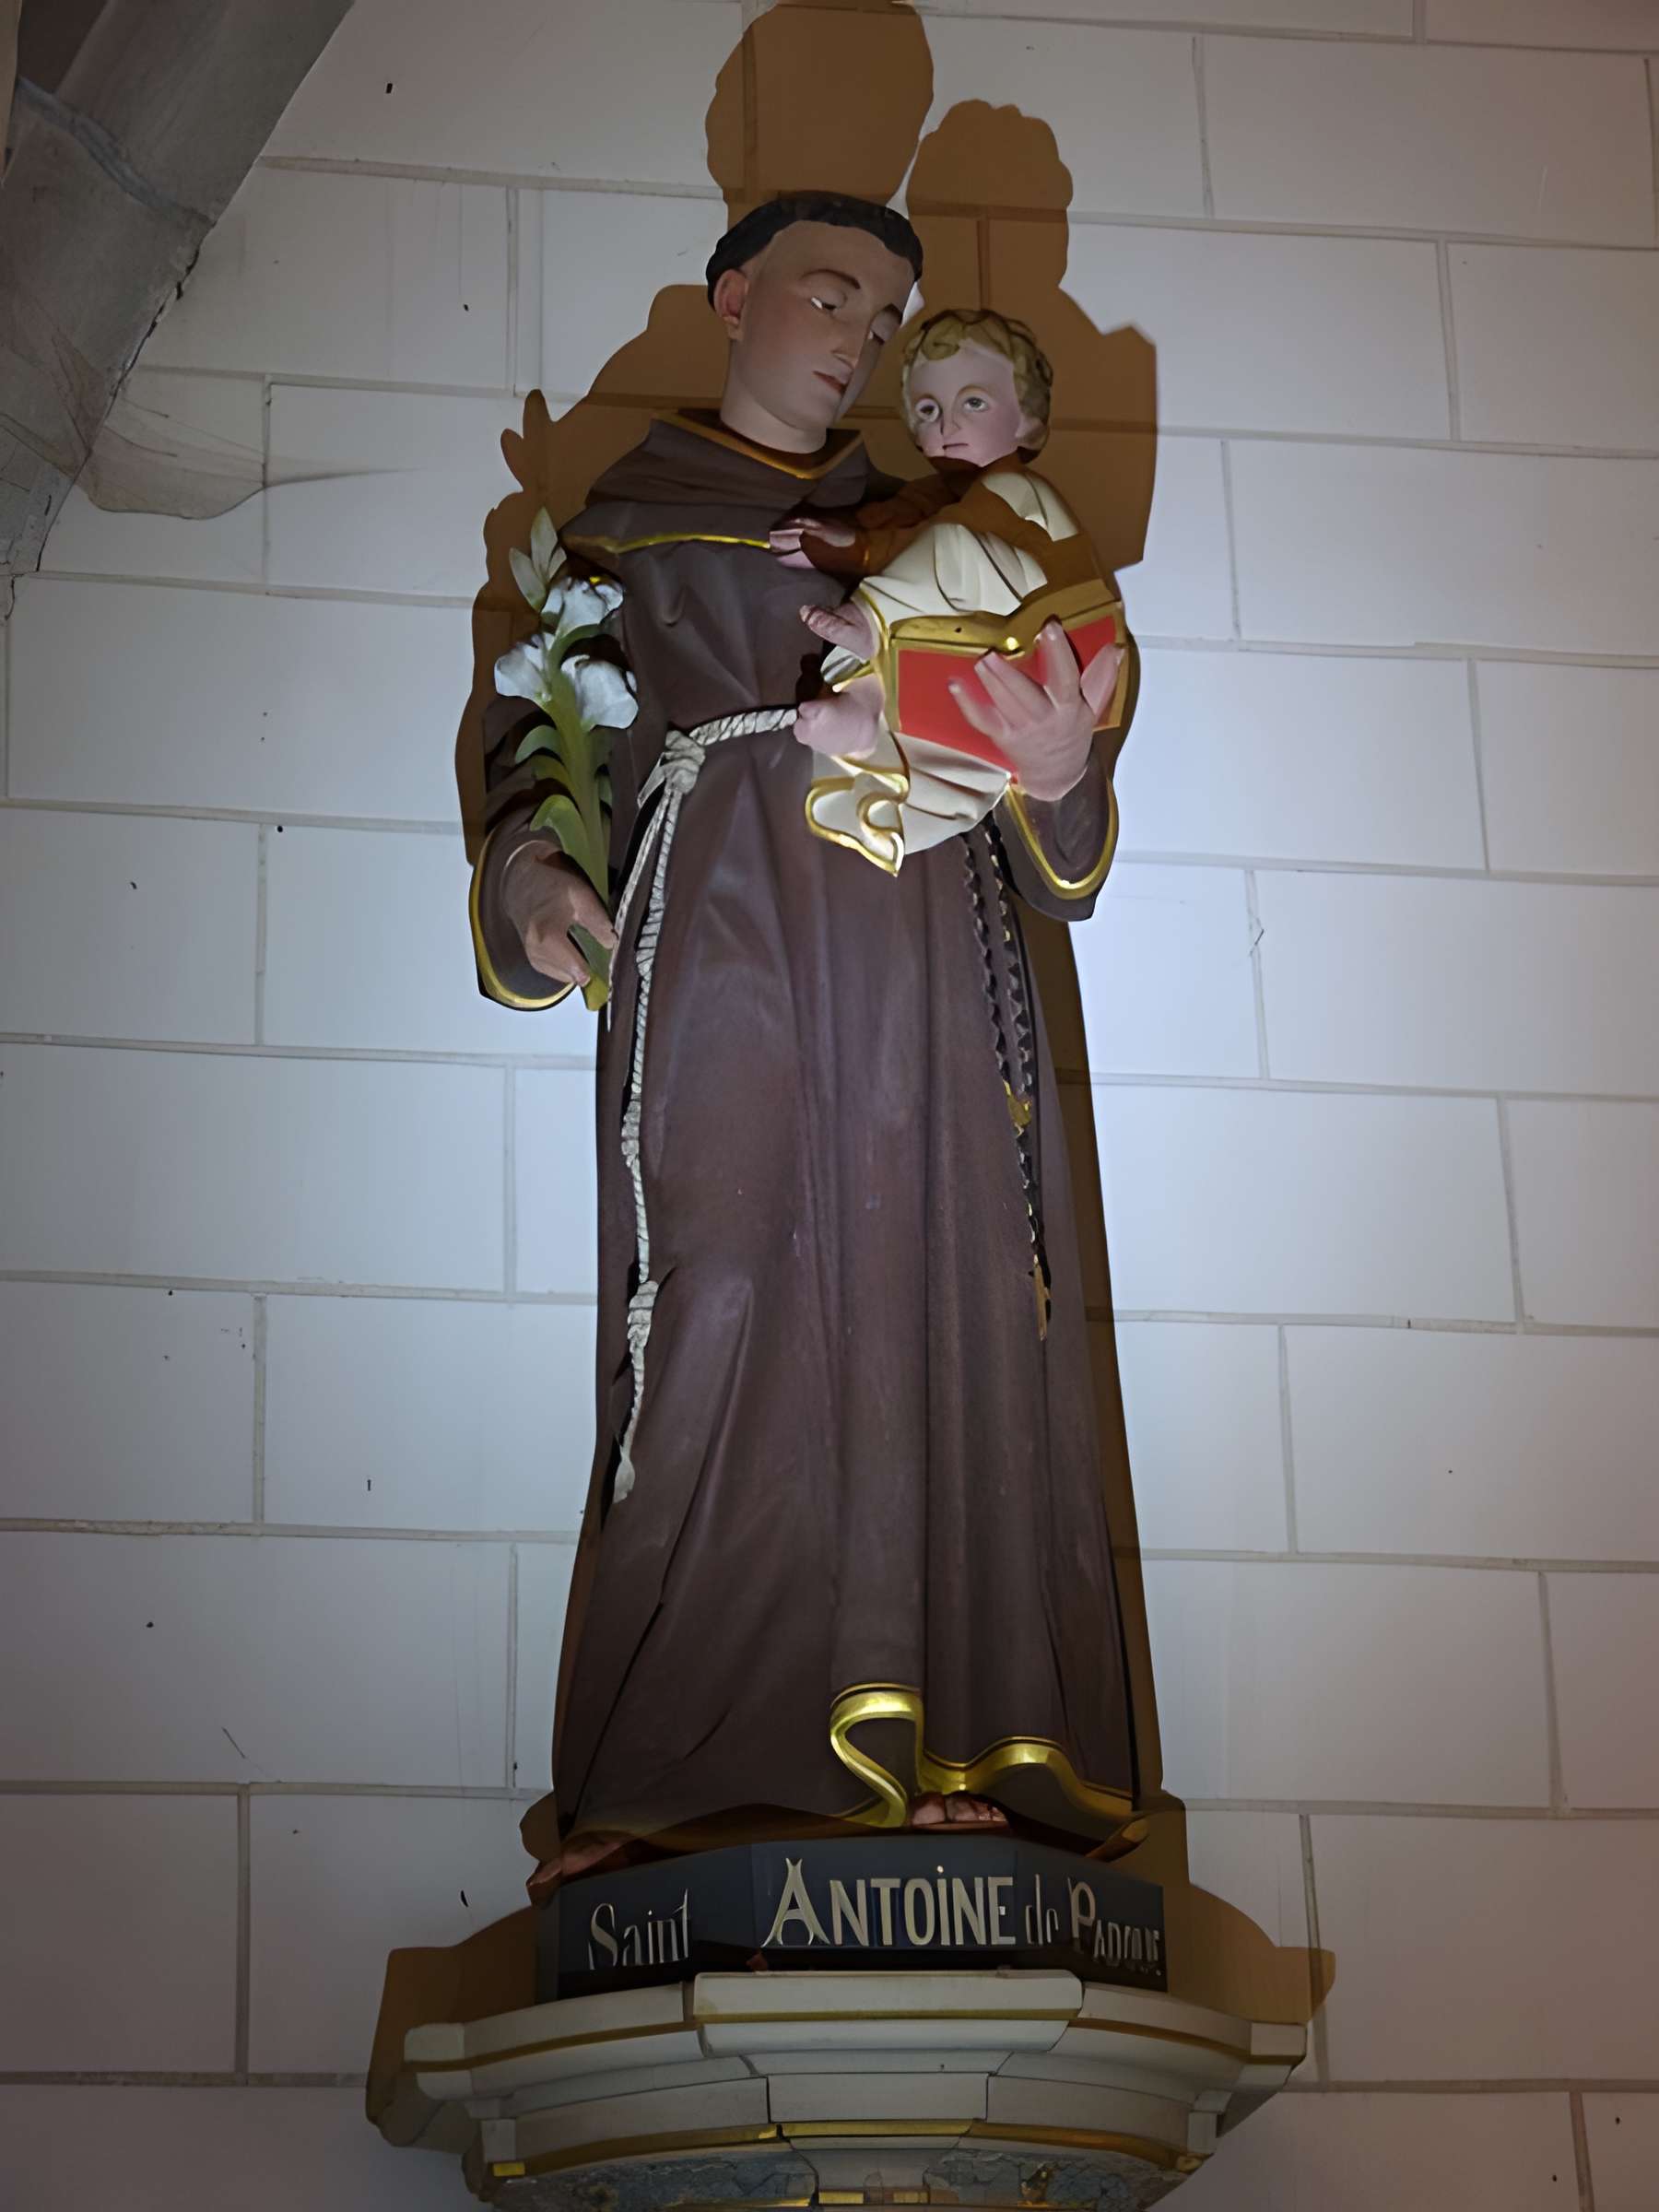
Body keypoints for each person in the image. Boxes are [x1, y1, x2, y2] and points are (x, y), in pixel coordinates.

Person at [468, 193, 1141, 1891]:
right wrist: (541, 883)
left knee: (930, 1295)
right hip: (722, 950)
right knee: (716, 1301)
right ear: (735, 297)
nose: (858, 338)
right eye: (831, 297)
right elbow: (533, 742)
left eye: (888, 315)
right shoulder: (622, 525)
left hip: (919, 944)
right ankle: (668, 1767)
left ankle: (924, 1743)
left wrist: (1063, 774)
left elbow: (1048, 795)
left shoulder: (935, 522)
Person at [774, 307, 1130, 878]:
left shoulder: (1014, 487)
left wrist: (859, 551)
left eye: (974, 403)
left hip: (1045, 626)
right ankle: (865, 716)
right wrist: (846, 539)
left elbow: (925, 537)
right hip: (983, 651)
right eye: (928, 410)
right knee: (950, 752)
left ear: (1028, 422)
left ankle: (868, 624)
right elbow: (890, 520)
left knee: (951, 552)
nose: (947, 425)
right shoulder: (928, 496)